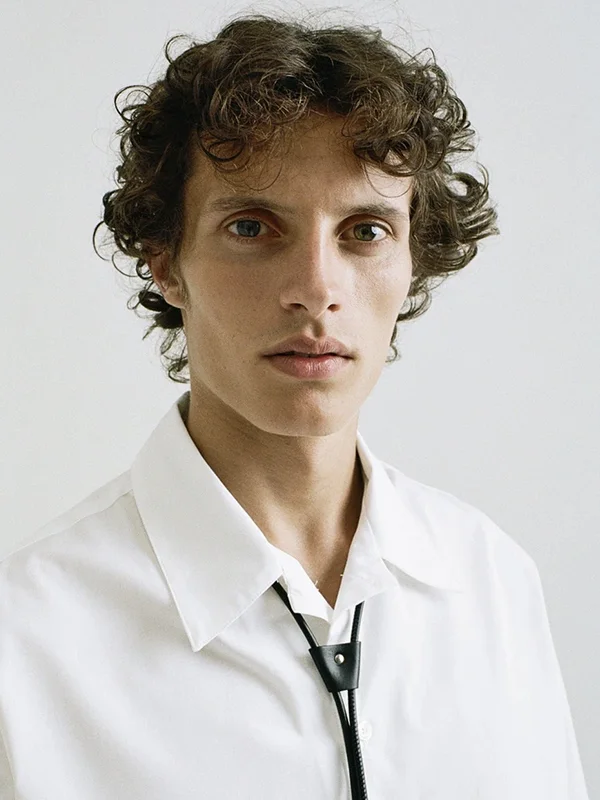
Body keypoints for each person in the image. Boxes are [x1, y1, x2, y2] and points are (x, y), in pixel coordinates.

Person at [0, 11, 589, 800]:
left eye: (365, 231)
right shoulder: (25, 638)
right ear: (165, 263)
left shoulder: (491, 583)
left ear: (412, 261)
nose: (316, 289)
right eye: (252, 226)